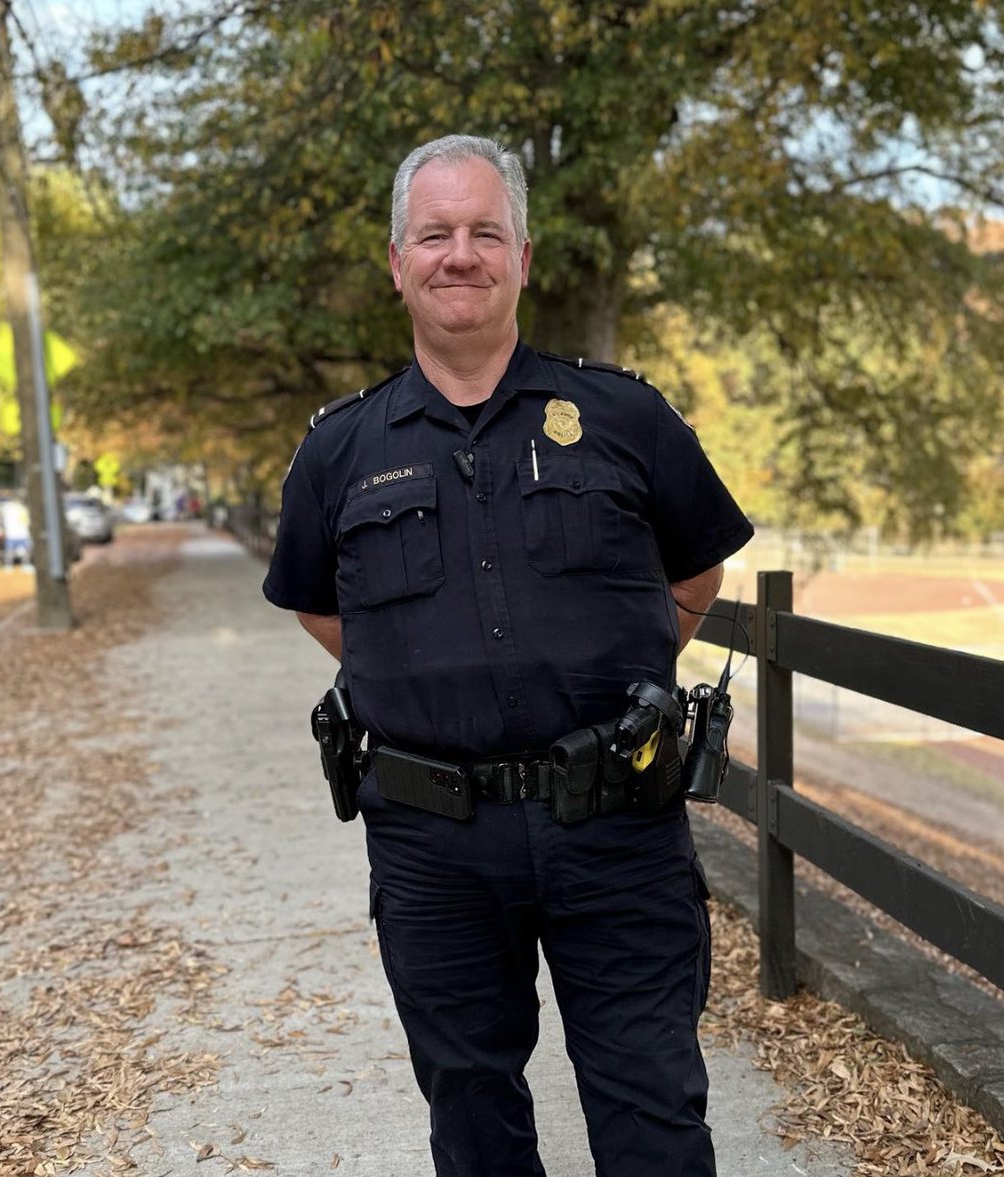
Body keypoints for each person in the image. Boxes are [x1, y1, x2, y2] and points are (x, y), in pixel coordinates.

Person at [263, 134, 753, 1177]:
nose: (461, 253)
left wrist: (597, 676)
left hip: (616, 827)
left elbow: (696, 575)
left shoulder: (627, 417)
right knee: (473, 1115)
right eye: (434, 233)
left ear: (524, 256)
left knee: (654, 1111)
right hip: (433, 843)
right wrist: (425, 677)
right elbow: (319, 606)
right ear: (396, 261)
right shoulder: (340, 451)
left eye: (486, 231)